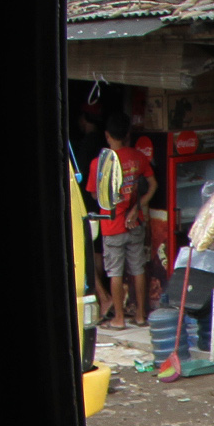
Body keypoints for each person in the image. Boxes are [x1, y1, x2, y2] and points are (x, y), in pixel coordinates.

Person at [85, 113, 153, 331]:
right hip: (135, 222)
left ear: (107, 136)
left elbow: (94, 195)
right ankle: (141, 315)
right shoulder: (138, 157)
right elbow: (152, 185)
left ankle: (119, 319)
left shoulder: (99, 163)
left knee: (114, 272)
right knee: (138, 268)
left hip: (112, 224)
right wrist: (138, 205)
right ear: (127, 134)